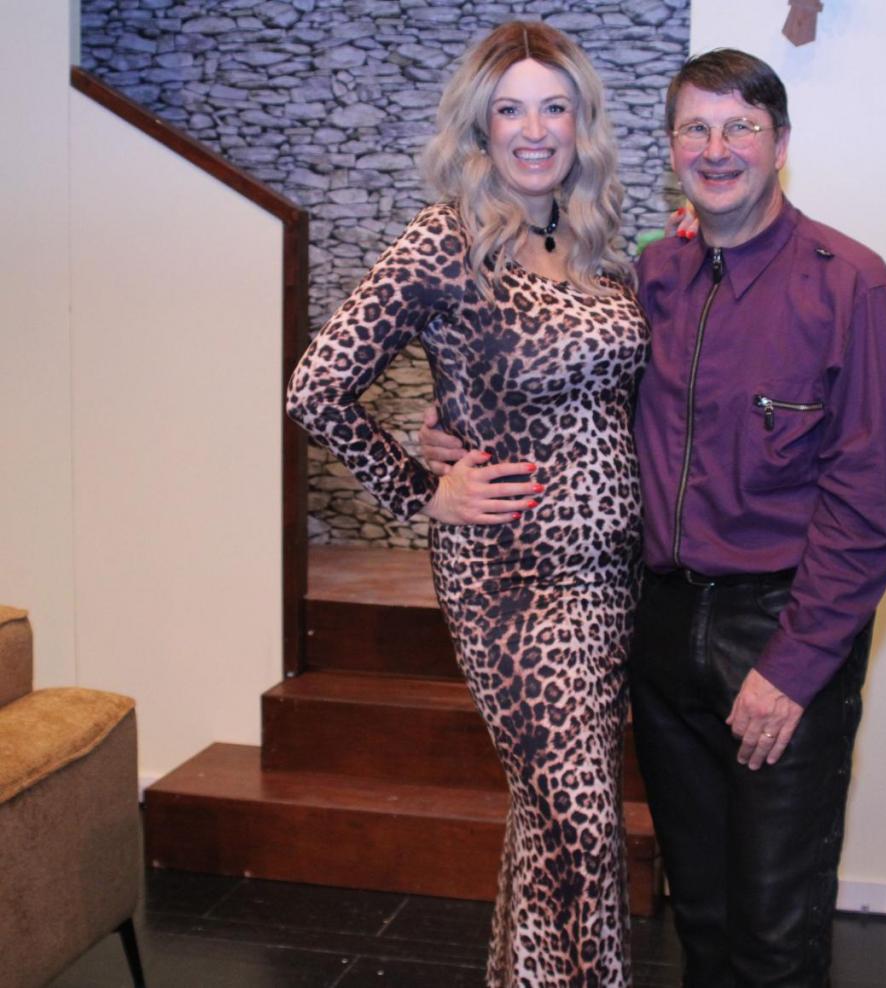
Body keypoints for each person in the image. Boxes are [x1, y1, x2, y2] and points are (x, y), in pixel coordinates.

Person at [422, 48, 886, 988]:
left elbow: (867, 507)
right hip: (657, 627)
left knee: (775, 934)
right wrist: (448, 432)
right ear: (671, 146)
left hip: (778, 632)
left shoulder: (851, 286)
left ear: (780, 145)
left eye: (741, 128)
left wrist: (792, 669)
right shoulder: (649, 276)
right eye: (696, 128)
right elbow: (566, 389)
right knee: (700, 914)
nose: (717, 148)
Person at [286, 21, 649, 988]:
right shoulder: (444, 240)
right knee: (583, 821)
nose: (534, 129)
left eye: (554, 107)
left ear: (581, 121)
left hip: (611, 580)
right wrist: (422, 490)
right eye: (510, 109)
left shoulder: (596, 241)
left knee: (550, 821)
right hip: (512, 578)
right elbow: (316, 388)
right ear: (480, 125)